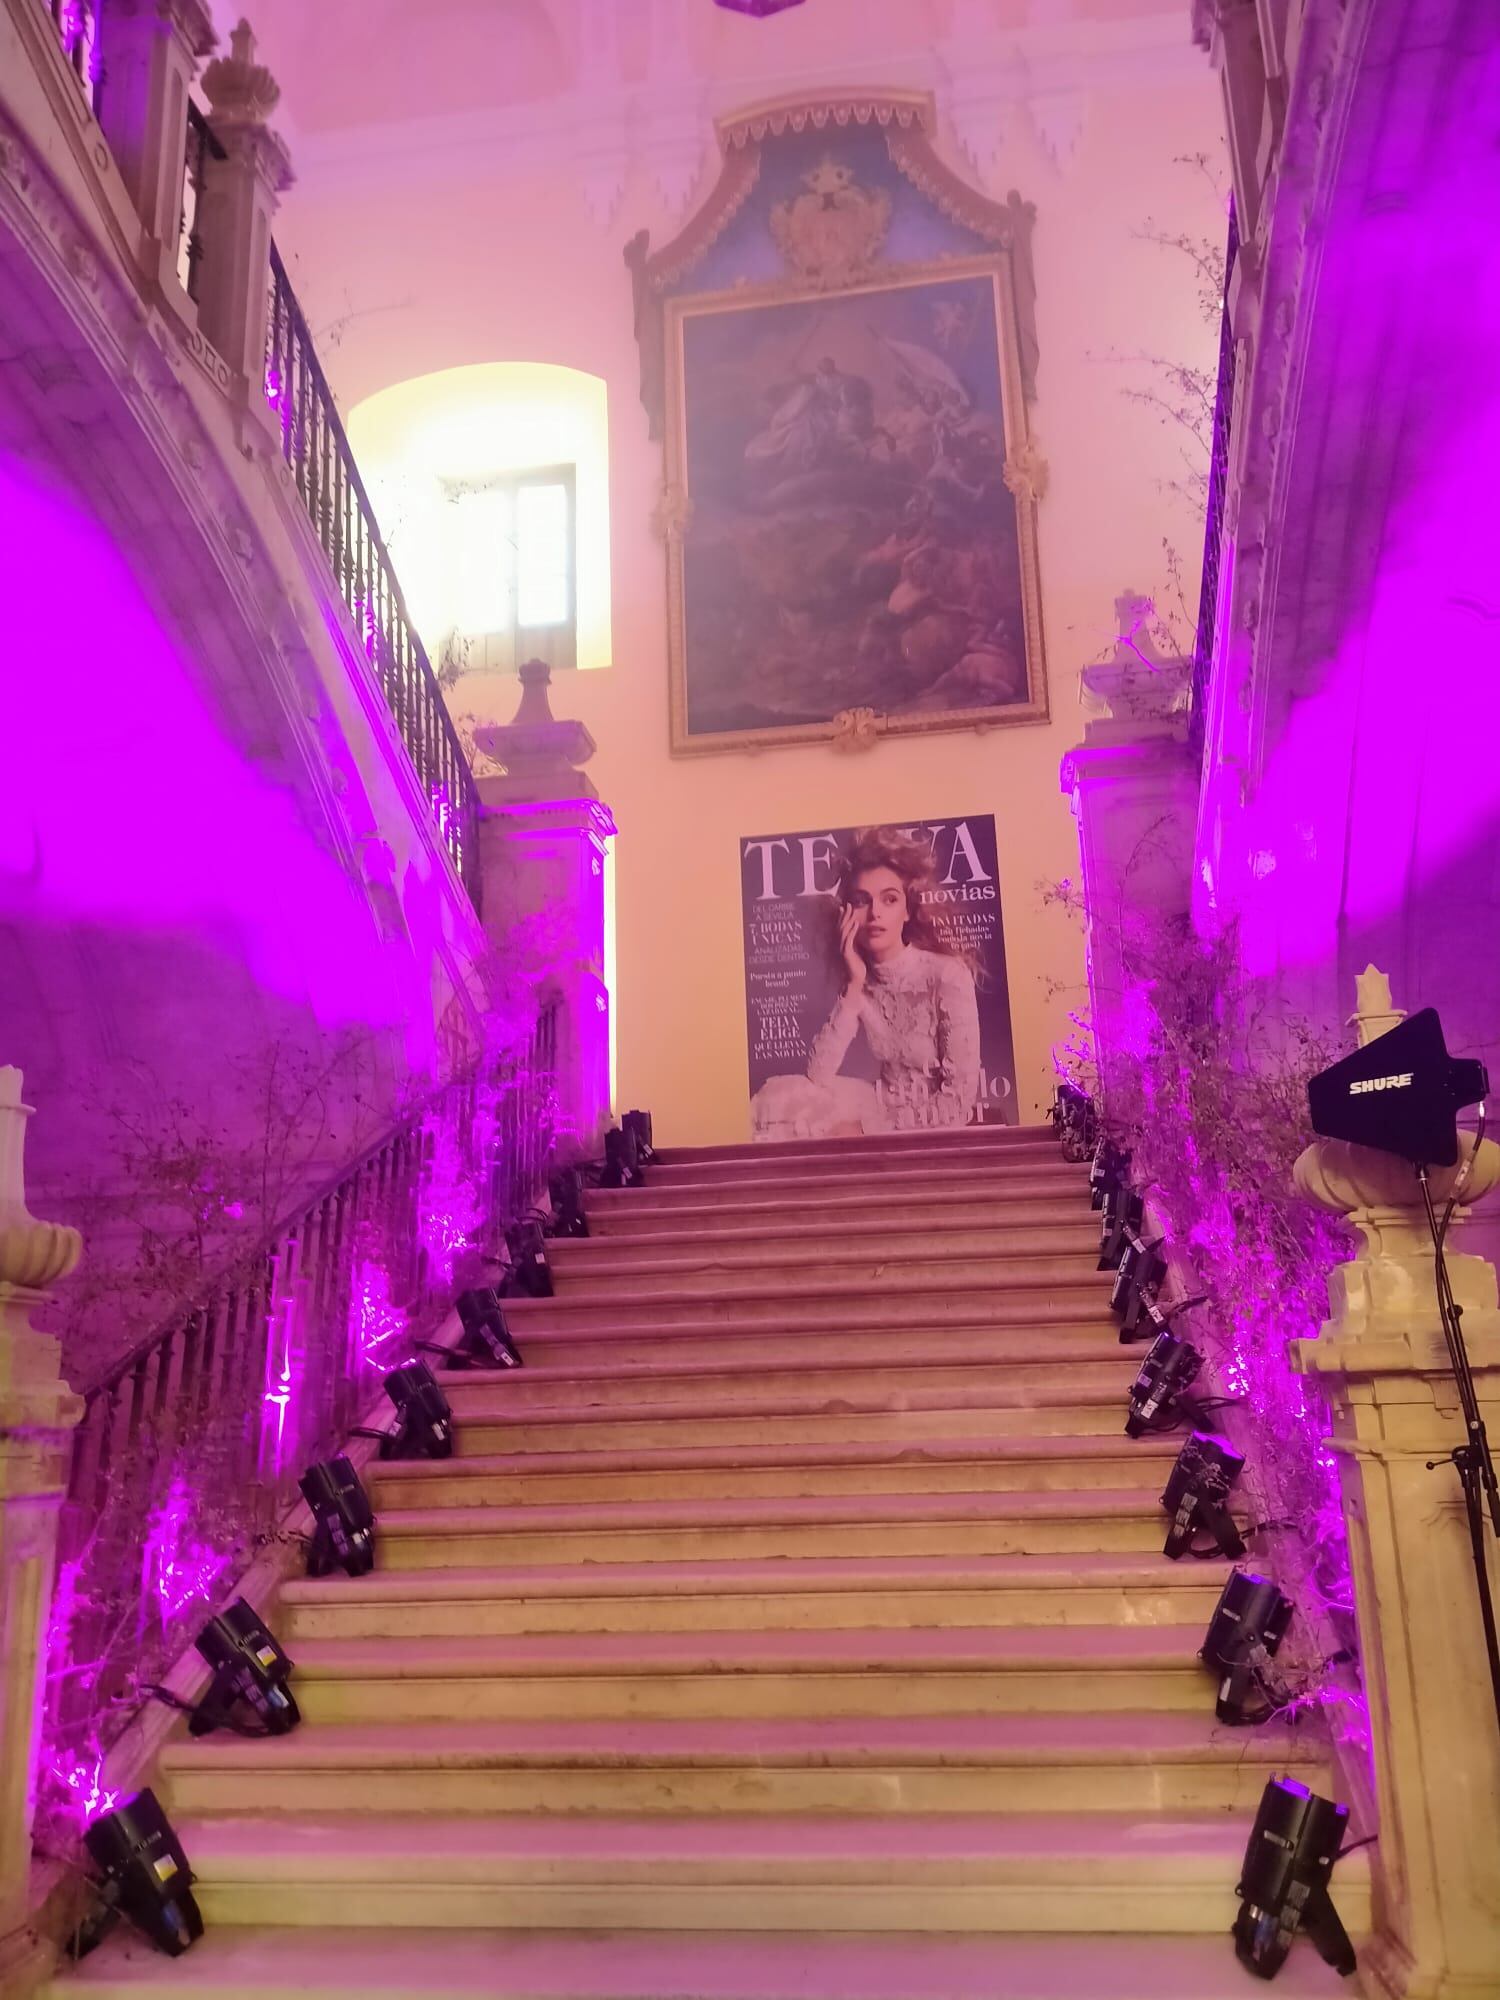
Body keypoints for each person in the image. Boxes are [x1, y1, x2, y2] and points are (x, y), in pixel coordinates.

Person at [751, 826, 982, 1141]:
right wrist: (854, 985)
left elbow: (958, 1101)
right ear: (847, 913)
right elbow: (817, 1075)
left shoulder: (947, 975)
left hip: (933, 1126)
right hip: (880, 1109)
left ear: (907, 911)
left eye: (889, 900)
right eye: (862, 901)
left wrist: (864, 1131)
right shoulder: (860, 979)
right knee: (783, 1096)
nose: (875, 913)